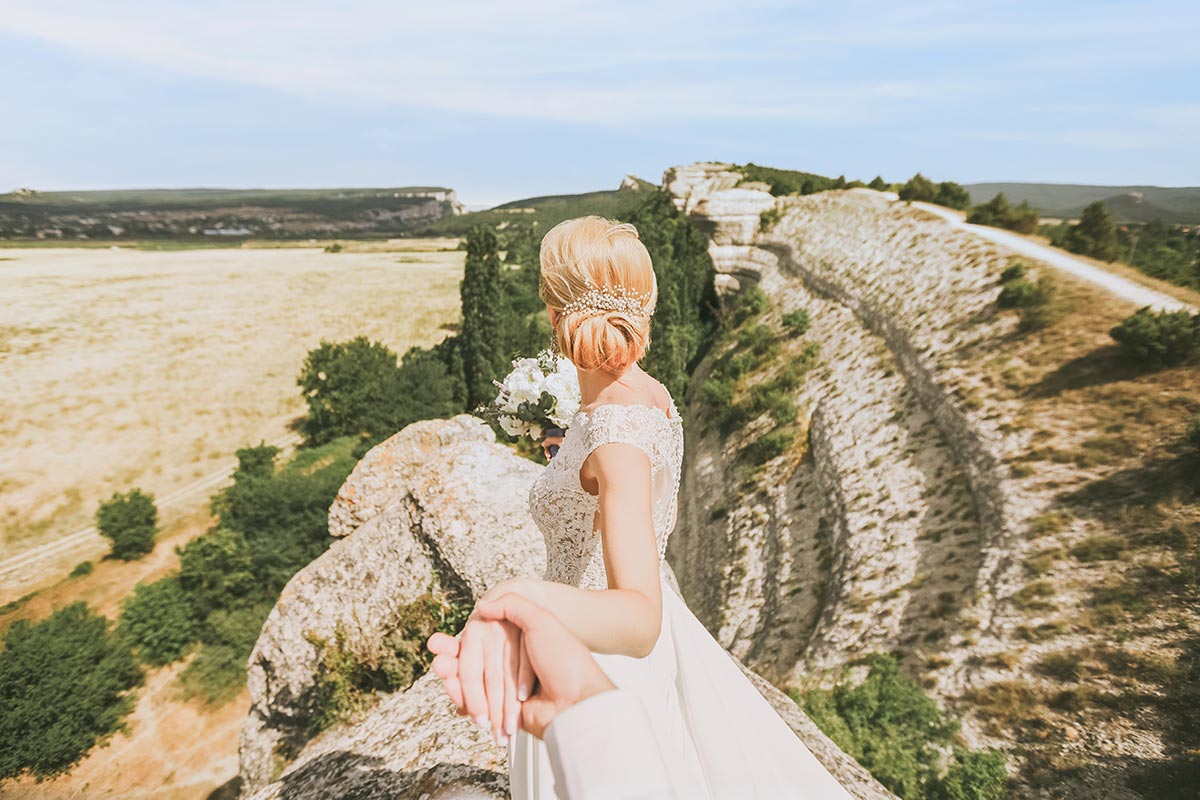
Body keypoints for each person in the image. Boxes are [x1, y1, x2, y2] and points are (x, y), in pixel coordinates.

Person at [436, 215, 854, 799]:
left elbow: (638, 618)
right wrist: (570, 451)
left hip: (598, 659)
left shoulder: (615, 435)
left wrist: (517, 599)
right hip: (594, 634)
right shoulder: (639, 395)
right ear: (643, 304)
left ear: (554, 314)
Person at [428, 592, 678, 800]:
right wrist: (575, 704)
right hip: (551, 654)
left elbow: (643, 624)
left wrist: (521, 594)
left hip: (607, 652)